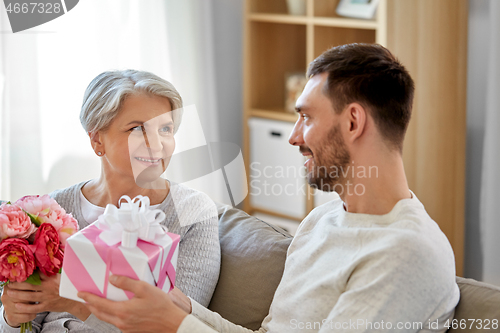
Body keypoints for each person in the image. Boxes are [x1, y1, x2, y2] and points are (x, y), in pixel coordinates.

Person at [82, 43, 459, 332]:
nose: (294, 137)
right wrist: (179, 306)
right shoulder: (322, 221)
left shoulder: (405, 253)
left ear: (353, 122)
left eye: (306, 117)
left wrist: (175, 324)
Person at [0, 70, 220, 332]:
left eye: (165, 129)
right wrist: (12, 318)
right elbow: (27, 321)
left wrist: (75, 302)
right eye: (137, 128)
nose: (157, 144)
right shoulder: (55, 210)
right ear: (96, 140)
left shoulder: (192, 213)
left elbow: (177, 325)